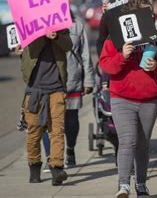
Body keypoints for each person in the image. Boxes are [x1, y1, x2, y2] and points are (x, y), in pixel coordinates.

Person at [99, 0, 157, 197]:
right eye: (145, 14)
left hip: (149, 100)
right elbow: (106, 66)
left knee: (142, 144)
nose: (150, 17)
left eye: (151, 13)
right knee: (127, 141)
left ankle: (141, 184)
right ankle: (123, 185)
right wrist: (122, 55)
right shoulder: (115, 38)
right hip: (121, 98)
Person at [15, 29, 72, 186]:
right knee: (34, 132)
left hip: (57, 89)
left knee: (57, 131)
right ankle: (34, 168)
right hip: (34, 90)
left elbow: (68, 45)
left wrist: (56, 36)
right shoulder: (28, 29)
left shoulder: (61, 28)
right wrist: (39, 36)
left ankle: (56, 169)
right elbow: (27, 50)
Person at [41, 11, 96, 170]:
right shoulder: (39, 23)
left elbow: (85, 54)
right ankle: (51, 156)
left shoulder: (76, 24)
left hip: (72, 79)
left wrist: (89, 80)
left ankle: (70, 149)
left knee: (71, 118)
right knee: (46, 120)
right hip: (47, 80)